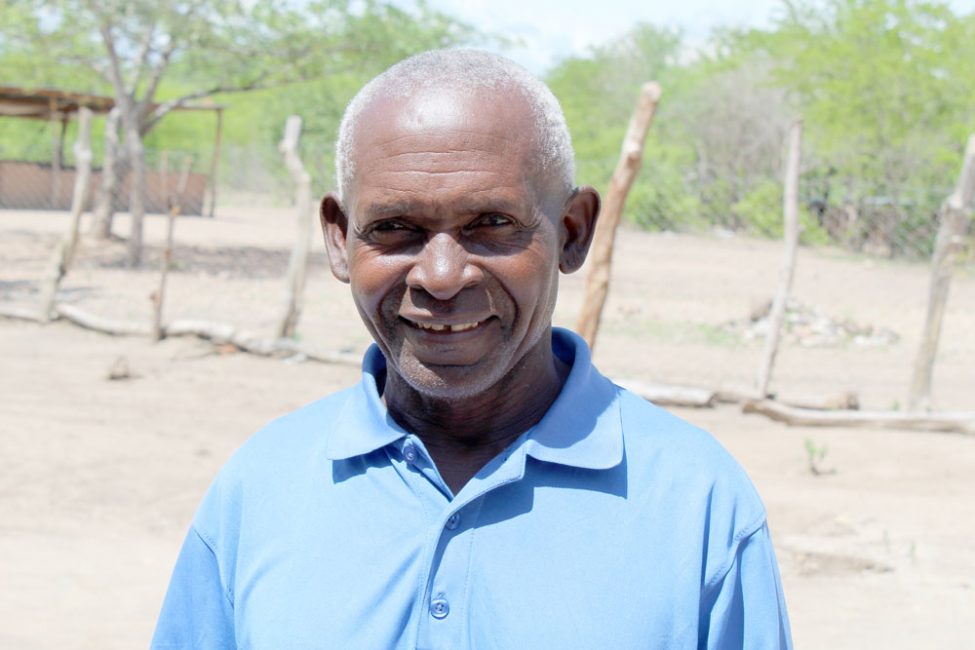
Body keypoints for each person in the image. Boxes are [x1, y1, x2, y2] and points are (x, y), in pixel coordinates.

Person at [152, 49, 792, 649]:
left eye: (491, 224)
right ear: (341, 241)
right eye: (395, 228)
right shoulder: (263, 486)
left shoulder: (693, 503)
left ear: (572, 232)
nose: (441, 276)